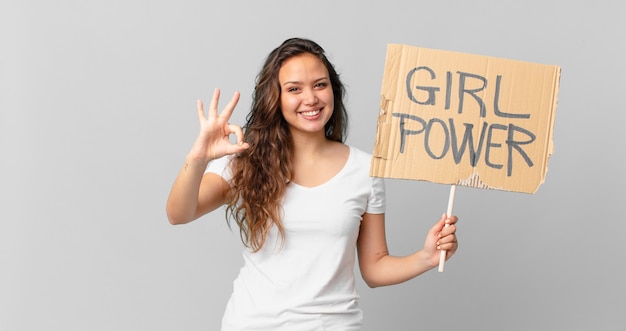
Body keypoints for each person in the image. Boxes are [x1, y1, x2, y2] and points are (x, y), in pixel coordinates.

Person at [166, 37, 458, 331]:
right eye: (294, 89)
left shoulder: (365, 169)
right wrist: (198, 157)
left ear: (334, 90)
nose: (311, 99)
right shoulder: (244, 160)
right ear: (275, 98)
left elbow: (374, 268)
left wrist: (426, 257)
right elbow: (179, 214)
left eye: (320, 84)